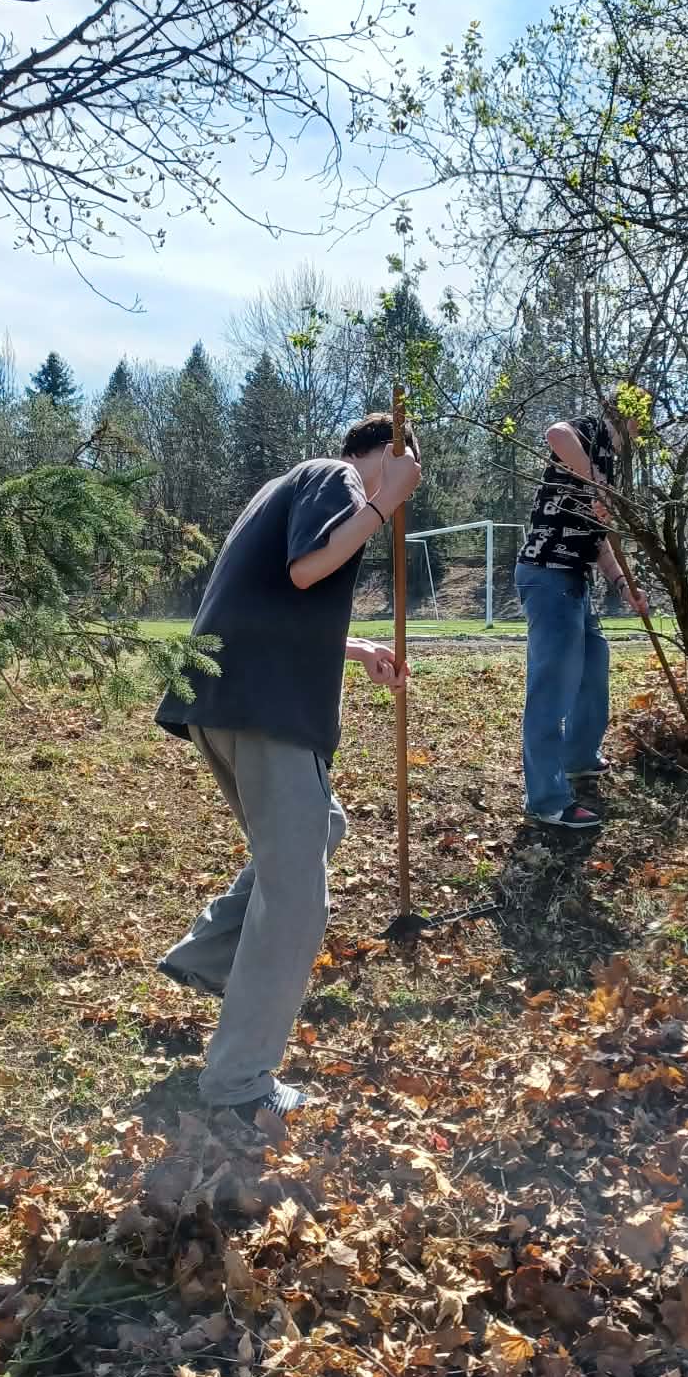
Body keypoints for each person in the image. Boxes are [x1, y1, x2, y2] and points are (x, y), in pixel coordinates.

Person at [153, 414, 423, 1122]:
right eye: (402, 464)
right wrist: (384, 500)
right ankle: (240, 1084)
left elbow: (277, 598)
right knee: (297, 898)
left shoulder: (288, 490)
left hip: (227, 699)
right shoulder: (334, 478)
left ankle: (211, 954)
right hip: (264, 710)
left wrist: (355, 648)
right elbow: (308, 569)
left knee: (321, 826)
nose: (407, 484)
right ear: (379, 453)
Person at [514, 401, 646, 828]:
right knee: (551, 687)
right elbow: (555, 433)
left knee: (594, 664)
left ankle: (578, 758)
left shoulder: (608, 463)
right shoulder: (592, 431)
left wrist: (623, 585)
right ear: (626, 411)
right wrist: (598, 484)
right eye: (641, 415)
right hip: (547, 573)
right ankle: (546, 799)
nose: (645, 425)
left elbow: (599, 540)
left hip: (575, 577)